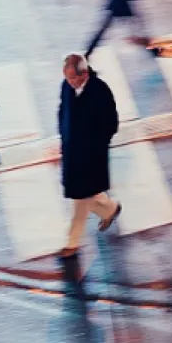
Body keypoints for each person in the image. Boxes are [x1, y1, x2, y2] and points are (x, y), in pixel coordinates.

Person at [58, 54, 121, 258]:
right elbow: (62, 112)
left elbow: (112, 123)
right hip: (72, 151)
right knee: (86, 193)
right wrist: (64, 136)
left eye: (72, 79)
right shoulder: (67, 87)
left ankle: (72, 242)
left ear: (84, 74)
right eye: (67, 78)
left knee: (80, 197)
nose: (69, 83)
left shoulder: (100, 91)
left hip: (91, 155)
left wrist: (97, 144)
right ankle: (109, 209)